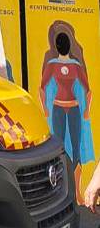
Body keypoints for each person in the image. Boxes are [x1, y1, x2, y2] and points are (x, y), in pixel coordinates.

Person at [40, 23, 93, 204]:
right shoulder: (53, 64)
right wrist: (86, 109)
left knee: (74, 148)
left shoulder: (74, 65)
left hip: (69, 109)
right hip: (61, 109)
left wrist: (86, 110)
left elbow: (88, 90)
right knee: (59, 148)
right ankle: (61, 192)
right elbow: (42, 88)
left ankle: (76, 192)